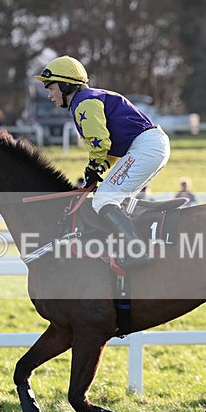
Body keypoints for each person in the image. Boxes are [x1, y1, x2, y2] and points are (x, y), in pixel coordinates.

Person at [35, 55, 170, 267]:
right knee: (115, 200)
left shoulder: (83, 103)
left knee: (104, 199)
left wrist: (92, 167)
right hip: (149, 145)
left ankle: (136, 251)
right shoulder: (87, 99)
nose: (50, 96)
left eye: (51, 88)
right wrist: (100, 168)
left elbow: (100, 143)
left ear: (66, 85)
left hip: (146, 147)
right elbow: (111, 151)